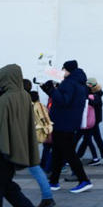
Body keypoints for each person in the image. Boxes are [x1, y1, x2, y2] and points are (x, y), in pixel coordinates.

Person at [40, 60, 92, 193]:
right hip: (68, 123)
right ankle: (54, 181)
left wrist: (51, 90)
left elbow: (63, 101)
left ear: (68, 70)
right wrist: (50, 90)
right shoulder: (79, 83)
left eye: (63, 69)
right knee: (57, 152)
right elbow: (65, 99)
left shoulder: (69, 82)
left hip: (63, 123)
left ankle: (84, 180)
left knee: (69, 153)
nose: (62, 72)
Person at [0, 65, 40, 207]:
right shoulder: (24, 95)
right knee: (7, 186)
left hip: (3, 150)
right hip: (16, 148)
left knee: (5, 186)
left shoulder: (5, 99)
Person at [22, 78, 54, 207]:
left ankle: (48, 197)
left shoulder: (22, 103)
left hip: (22, 140)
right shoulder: (34, 102)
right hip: (31, 139)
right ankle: (48, 197)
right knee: (35, 168)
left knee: (34, 168)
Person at [77, 77, 103, 166]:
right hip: (92, 119)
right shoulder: (93, 92)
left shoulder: (96, 94)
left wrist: (86, 98)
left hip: (93, 120)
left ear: (91, 85)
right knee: (93, 138)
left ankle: (79, 157)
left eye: (88, 84)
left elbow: (94, 103)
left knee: (87, 139)